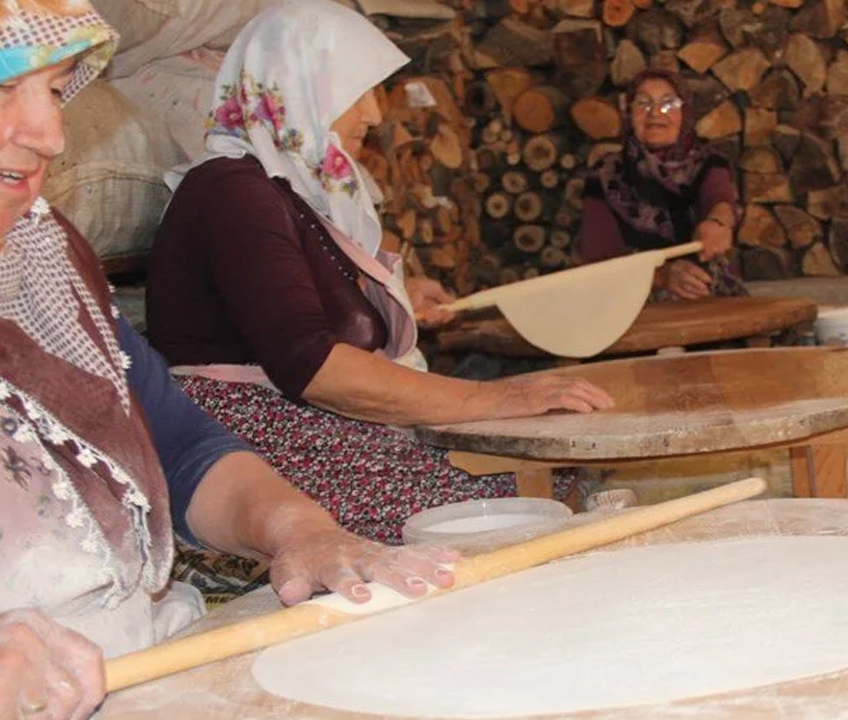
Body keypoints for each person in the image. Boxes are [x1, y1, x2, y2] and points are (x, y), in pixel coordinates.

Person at [0, 3, 458, 718]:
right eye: (5, 88)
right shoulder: (230, 191)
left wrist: (298, 529)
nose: (51, 135)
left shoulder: (43, 253)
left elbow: (177, 443)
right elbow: (308, 359)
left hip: (149, 662)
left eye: (57, 91)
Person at [145, 0, 614, 545]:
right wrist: (495, 399)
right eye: (356, 92)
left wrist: (399, 295)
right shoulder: (232, 193)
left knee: (563, 484)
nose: (373, 114)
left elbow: (292, 298)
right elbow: (312, 365)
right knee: (523, 510)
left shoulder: (283, 191)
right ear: (299, 85)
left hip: (309, 427)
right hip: (257, 439)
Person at [579, 68, 743, 301]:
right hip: (632, 305)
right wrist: (660, 277)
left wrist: (717, 223)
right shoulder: (605, 175)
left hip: (705, 296)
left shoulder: (707, 163)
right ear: (629, 112)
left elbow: (719, 199)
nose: (655, 113)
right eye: (643, 103)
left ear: (685, 112)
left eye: (668, 103)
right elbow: (598, 261)